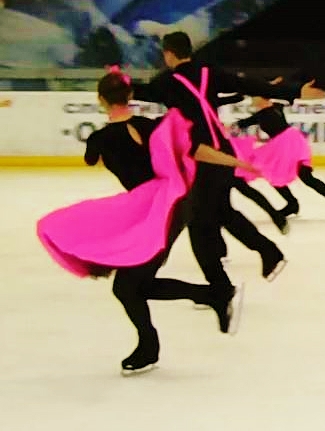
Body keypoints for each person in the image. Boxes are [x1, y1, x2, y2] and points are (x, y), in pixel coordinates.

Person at [38, 69, 252, 374]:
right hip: (173, 204)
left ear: (100, 100)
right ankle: (211, 297)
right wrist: (238, 162)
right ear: (130, 96)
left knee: (128, 287)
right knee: (133, 286)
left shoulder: (100, 139)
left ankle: (160, 338)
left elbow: (91, 160)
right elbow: (195, 150)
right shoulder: (152, 127)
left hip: (155, 212)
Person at [130, 32, 325, 291]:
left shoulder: (167, 81)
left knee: (199, 221)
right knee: (221, 212)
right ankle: (263, 254)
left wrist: (118, 83)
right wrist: (295, 91)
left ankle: (221, 287)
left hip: (200, 154)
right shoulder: (208, 73)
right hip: (222, 150)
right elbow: (250, 86)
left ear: (168, 53)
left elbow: (140, 92)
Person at [234, 91, 325, 220]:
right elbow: (244, 123)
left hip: (289, 143)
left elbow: (285, 97)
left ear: (262, 98)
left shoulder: (270, 109)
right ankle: (292, 204)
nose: (251, 100)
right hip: (285, 144)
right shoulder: (268, 110)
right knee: (275, 175)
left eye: (254, 97)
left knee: (304, 177)